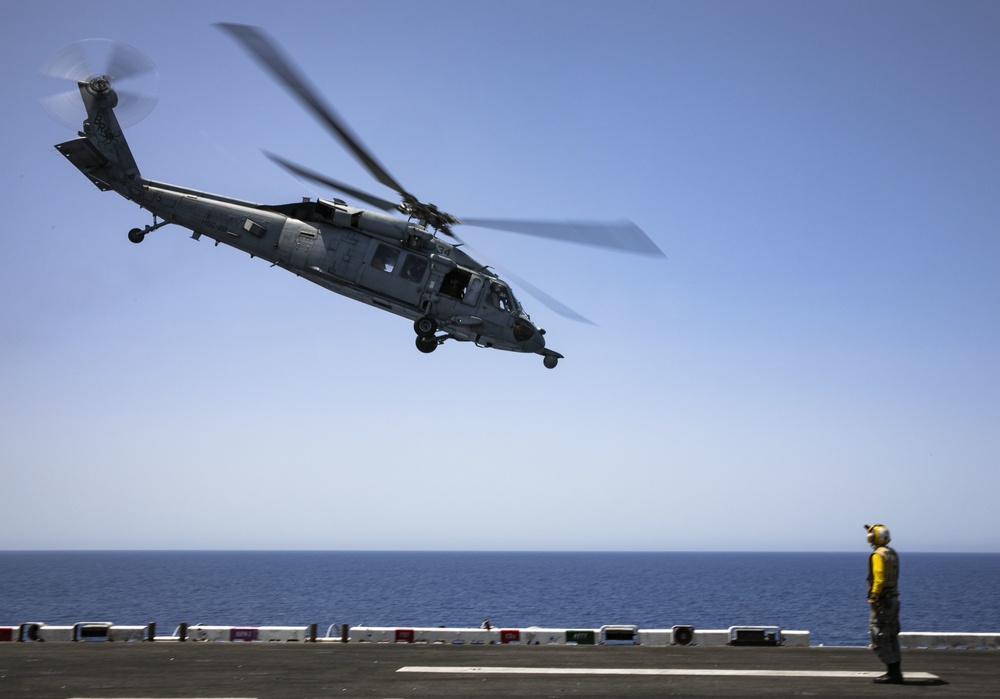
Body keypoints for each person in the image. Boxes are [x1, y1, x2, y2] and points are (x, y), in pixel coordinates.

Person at [865, 523, 903, 684]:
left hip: (883, 600)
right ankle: (895, 671)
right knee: (891, 635)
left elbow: (879, 579)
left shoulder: (877, 555)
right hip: (893, 598)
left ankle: (893, 673)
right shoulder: (891, 553)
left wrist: (874, 596)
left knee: (879, 635)